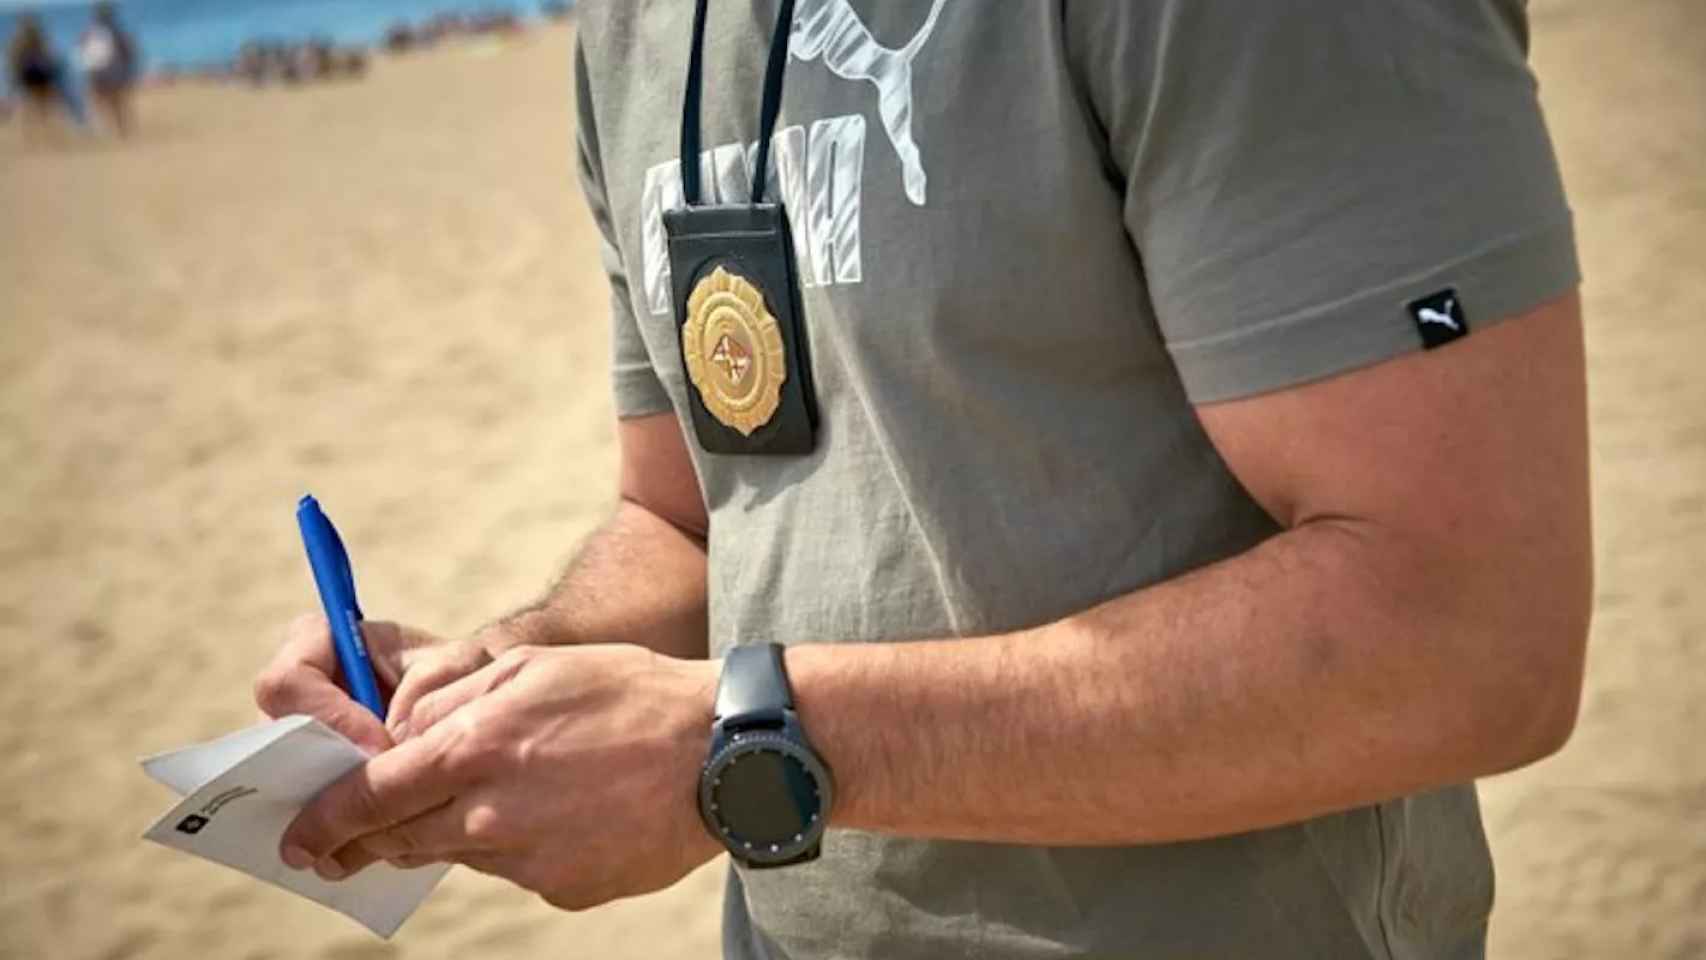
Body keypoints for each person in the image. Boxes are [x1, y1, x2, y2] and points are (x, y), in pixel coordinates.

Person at [255, 1, 1593, 957]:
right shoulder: (634, 30)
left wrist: (734, 749)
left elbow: (1468, 633)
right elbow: (693, 516)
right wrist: (503, 676)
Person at [7, 13, 70, 143]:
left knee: (32, 107)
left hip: (30, 78)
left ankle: (34, 137)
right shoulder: (38, 39)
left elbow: (13, 62)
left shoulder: (19, 41)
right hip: (40, 77)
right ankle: (45, 135)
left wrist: (13, 81)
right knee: (43, 107)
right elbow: (51, 58)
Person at [78, 2, 137, 136]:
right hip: (114, 73)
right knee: (117, 103)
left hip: (97, 74)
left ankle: (105, 130)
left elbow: (82, 53)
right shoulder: (116, 32)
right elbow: (129, 53)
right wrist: (128, 72)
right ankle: (122, 130)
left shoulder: (89, 33)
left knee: (101, 103)